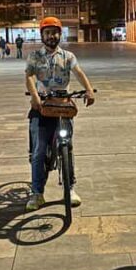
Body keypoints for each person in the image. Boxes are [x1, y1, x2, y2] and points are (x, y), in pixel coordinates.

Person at [25, 16, 95, 212]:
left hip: (63, 106)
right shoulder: (34, 57)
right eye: (47, 33)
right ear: (42, 36)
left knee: (67, 147)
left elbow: (79, 72)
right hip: (42, 106)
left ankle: (70, 188)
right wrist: (34, 96)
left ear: (59, 34)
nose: (51, 36)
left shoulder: (68, 56)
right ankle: (37, 193)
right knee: (39, 151)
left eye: (54, 32)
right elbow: (29, 76)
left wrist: (88, 90)